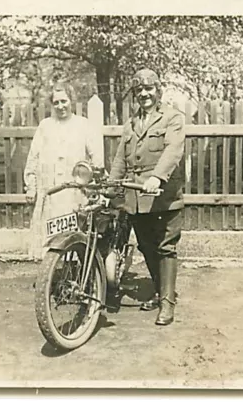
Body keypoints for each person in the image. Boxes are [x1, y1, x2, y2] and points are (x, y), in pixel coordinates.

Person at [108, 68, 185, 326]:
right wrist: (111, 187)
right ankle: (159, 290)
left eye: (149, 89)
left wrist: (157, 177)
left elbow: (173, 150)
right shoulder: (131, 123)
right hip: (137, 198)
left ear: (158, 90)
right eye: (139, 90)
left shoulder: (172, 118)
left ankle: (167, 303)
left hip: (163, 195)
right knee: (147, 247)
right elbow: (121, 158)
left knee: (165, 247)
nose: (144, 94)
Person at [23, 82, 104, 259]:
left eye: (64, 101)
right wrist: (31, 185)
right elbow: (33, 157)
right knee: (49, 237)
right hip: (50, 191)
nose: (60, 106)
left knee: (72, 235)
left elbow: (96, 158)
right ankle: (50, 274)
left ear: (71, 101)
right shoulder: (45, 126)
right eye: (56, 102)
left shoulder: (84, 125)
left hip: (73, 192)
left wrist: (94, 184)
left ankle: (72, 271)